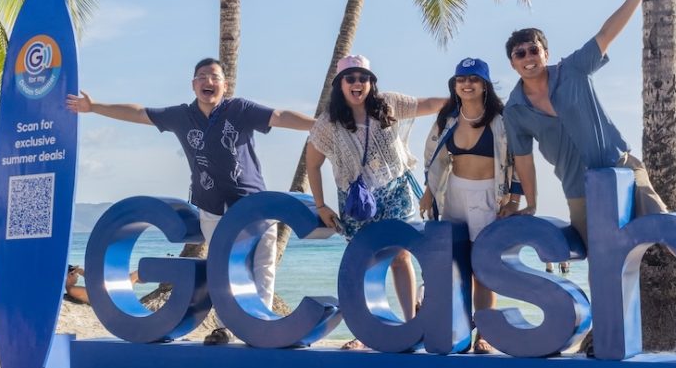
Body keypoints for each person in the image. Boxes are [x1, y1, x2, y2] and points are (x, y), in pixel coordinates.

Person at [66, 58, 314, 345]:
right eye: (202, 76)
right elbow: (139, 113)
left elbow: (280, 116)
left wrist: (318, 125)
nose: (209, 81)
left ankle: (259, 325)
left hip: (253, 204)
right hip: (213, 207)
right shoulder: (182, 116)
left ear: (225, 85)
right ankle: (225, 328)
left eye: (215, 77)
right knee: (224, 269)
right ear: (193, 85)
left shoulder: (240, 109)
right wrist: (94, 107)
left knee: (262, 266)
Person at [500, 0, 671, 247]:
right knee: (598, 255)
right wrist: (532, 203)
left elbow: (606, 34)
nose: (528, 57)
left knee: (668, 231)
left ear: (545, 54)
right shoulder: (515, 111)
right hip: (578, 188)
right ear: (513, 63)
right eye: (520, 54)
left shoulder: (574, 69)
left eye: (534, 50)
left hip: (621, 169)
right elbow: (524, 161)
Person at [306, 55, 442, 348]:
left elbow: (428, 104)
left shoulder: (388, 105)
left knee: (401, 257)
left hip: (395, 191)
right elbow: (312, 164)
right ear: (340, 84)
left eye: (363, 78)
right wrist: (320, 205)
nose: (357, 84)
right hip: (356, 201)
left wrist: (462, 99)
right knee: (364, 261)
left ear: (371, 82)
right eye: (350, 78)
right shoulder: (328, 123)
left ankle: (410, 324)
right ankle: (363, 332)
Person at [418, 58, 516, 354]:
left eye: (473, 78)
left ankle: (484, 333)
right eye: (461, 79)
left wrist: (514, 201)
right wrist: (428, 192)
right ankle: (456, 329)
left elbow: (517, 160)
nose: (467, 84)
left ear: (484, 85)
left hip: (488, 196)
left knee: (482, 268)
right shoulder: (447, 118)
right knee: (455, 267)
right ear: (454, 85)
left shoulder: (501, 120)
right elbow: (434, 157)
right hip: (454, 195)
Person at [65, 265, 138, 305]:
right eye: (75, 274)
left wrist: (83, 273)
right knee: (135, 275)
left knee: (131, 276)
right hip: (115, 301)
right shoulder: (72, 290)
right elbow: (98, 293)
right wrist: (84, 273)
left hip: (112, 299)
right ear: (70, 275)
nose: (77, 276)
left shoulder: (72, 289)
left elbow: (96, 288)